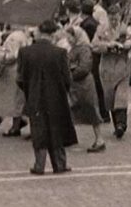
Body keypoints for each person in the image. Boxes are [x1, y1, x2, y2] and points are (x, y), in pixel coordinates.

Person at [18, 20, 77, 175]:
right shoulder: (60, 53)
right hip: (56, 97)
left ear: (39, 32)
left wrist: (29, 90)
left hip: (34, 95)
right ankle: (60, 164)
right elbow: (67, 79)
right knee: (56, 130)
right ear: (52, 34)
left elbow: (20, 79)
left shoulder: (25, 52)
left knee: (38, 129)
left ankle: (39, 165)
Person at [92, 7, 131, 139]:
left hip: (122, 68)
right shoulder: (101, 29)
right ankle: (116, 125)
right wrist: (108, 45)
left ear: (120, 16)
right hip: (107, 69)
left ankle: (121, 124)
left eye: (116, 18)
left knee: (121, 97)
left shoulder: (128, 29)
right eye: (111, 18)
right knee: (111, 99)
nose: (113, 21)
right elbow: (94, 46)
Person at [65, 26, 104, 152]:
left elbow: (84, 67)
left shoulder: (84, 49)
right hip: (76, 84)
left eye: (70, 36)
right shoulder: (75, 48)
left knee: (91, 110)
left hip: (84, 84)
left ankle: (99, 139)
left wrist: (69, 74)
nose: (68, 39)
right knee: (73, 110)